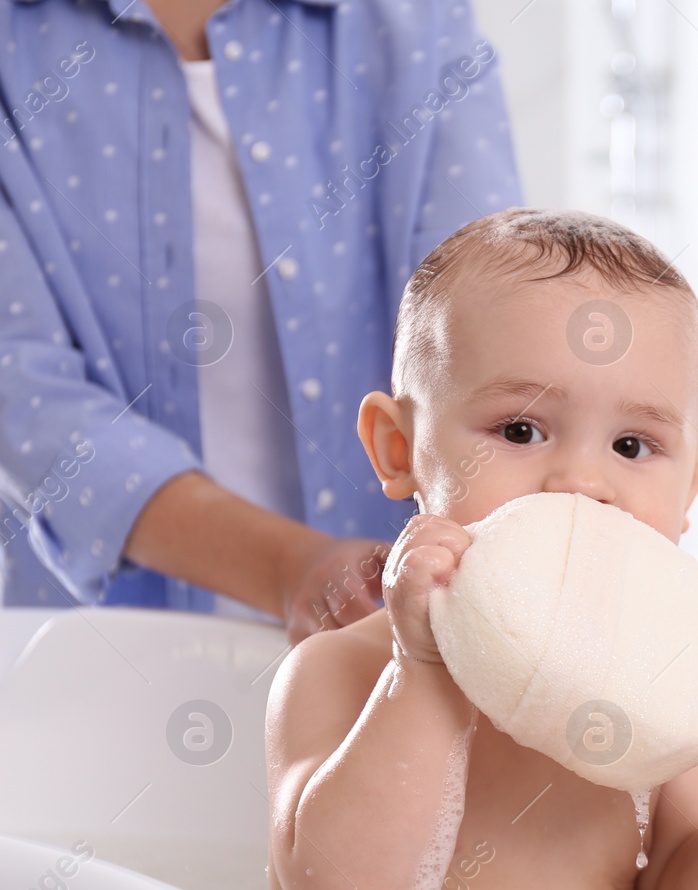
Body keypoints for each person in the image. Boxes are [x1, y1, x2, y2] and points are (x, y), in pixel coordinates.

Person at [264, 208, 698, 890]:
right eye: (520, 430)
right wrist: (422, 670)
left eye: (632, 446)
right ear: (398, 447)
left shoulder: (651, 696)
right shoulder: (335, 673)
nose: (583, 483)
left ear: (692, 486)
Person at [0, 0, 521, 640]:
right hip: (99, 656)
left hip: (401, 643)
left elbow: (494, 336)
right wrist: (292, 569)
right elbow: (23, 394)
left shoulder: (416, 24)